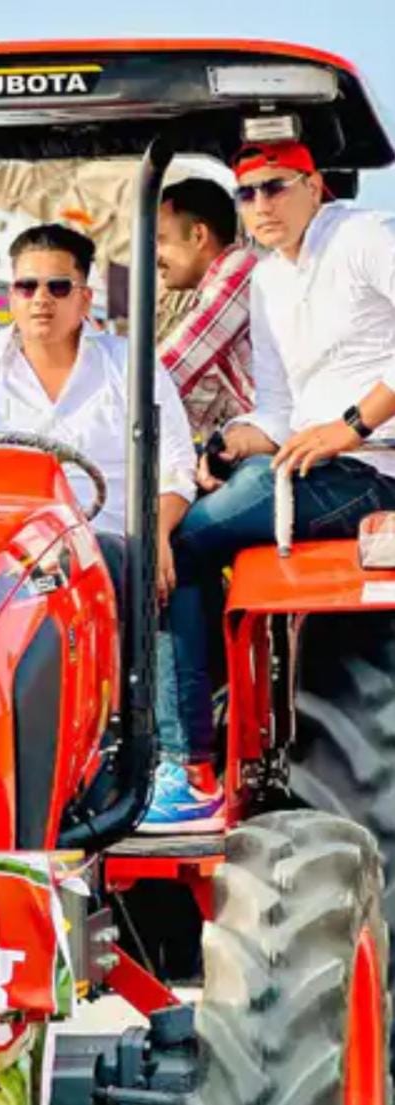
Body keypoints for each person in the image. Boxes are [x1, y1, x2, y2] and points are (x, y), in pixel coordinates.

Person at [143, 140, 395, 833]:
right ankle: (217, 727)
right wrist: (224, 444)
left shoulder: (364, 237)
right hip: (307, 466)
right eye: (247, 194)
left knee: (179, 543)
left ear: (313, 186)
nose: (260, 206)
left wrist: (348, 425)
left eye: (275, 188)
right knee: (173, 520)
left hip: (372, 470)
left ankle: (186, 761)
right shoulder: (265, 280)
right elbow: (280, 407)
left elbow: (328, 421)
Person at [0, 223, 196, 639]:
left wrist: (156, 532)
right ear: (11, 297)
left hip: (112, 546)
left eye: (58, 287)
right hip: (8, 554)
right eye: (27, 287)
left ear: (84, 299)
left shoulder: (130, 365)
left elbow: (177, 467)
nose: (41, 299)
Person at [156, 177, 257, 438]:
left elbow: (167, 372)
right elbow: (197, 403)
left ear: (198, 235)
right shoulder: (210, 296)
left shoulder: (240, 272)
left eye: (160, 240)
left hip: (295, 442)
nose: (154, 256)